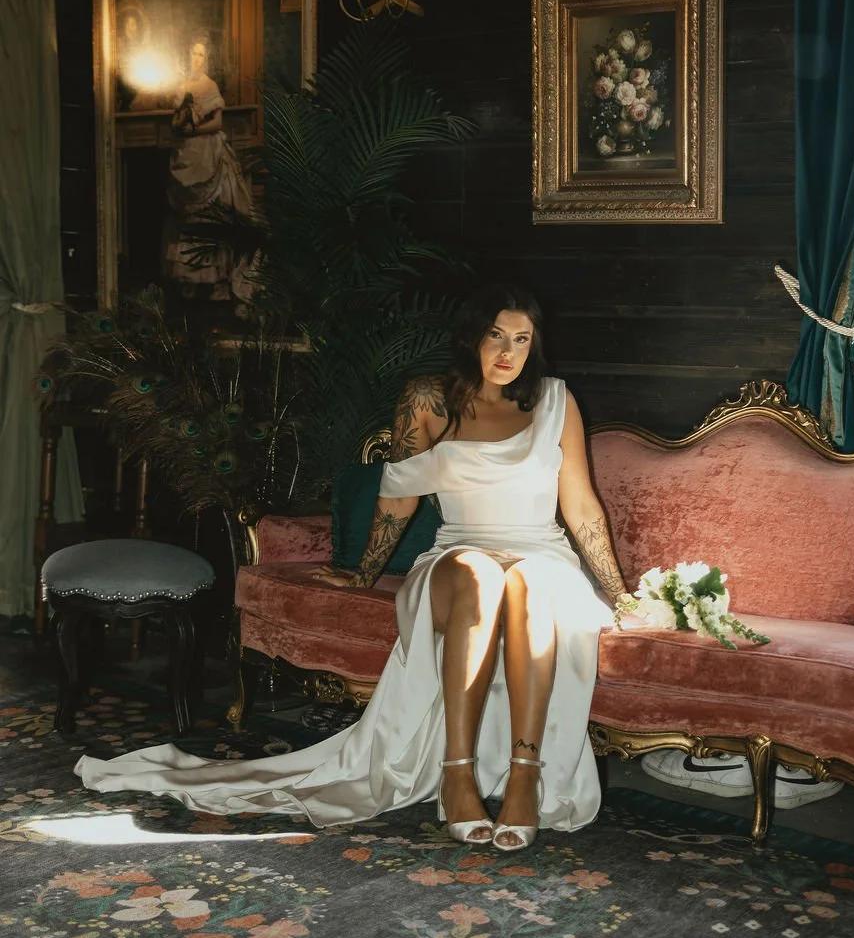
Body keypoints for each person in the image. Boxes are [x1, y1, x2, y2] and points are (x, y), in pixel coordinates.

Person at [76, 284, 630, 850]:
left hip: (541, 551)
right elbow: (397, 497)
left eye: (522, 339)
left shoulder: (556, 401)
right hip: (458, 553)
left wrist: (619, 592)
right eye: (496, 335)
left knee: (532, 583)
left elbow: (581, 505)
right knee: (480, 575)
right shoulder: (429, 401)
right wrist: (364, 574)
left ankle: (524, 775)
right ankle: (457, 773)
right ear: (472, 337)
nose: (508, 352)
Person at [163, 32, 256, 306]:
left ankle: (215, 283)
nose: (197, 58)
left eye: (201, 54)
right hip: (187, 152)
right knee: (188, 221)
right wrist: (182, 122)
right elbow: (174, 123)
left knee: (210, 216)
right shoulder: (183, 86)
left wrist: (194, 128)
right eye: (193, 53)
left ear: (207, 59)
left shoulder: (210, 86)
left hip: (208, 152)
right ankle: (190, 284)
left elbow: (217, 124)